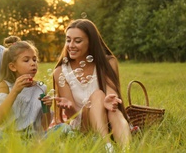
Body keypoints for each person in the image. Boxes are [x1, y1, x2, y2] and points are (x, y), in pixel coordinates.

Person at [52, 19, 131, 151]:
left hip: (109, 119)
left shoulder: (108, 62)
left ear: (91, 42)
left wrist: (110, 99)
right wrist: (67, 106)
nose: (71, 45)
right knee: (99, 94)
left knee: (111, 109)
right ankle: (107, 145)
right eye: (68, 40)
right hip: (82, 124)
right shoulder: (60, 71)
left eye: (77, 41)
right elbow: (73, 115)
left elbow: (111, 89)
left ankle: (126, 149)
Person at [0, 36, 53, 139]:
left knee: (64, 128)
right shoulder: (5, 85)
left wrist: (47, 108)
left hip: (34, 138)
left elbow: (45, 126)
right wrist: (15, 91)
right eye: (26, 60)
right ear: (13, 66)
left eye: (34, 59)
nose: (33, 63)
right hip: (10, 138)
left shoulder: (41, 88)